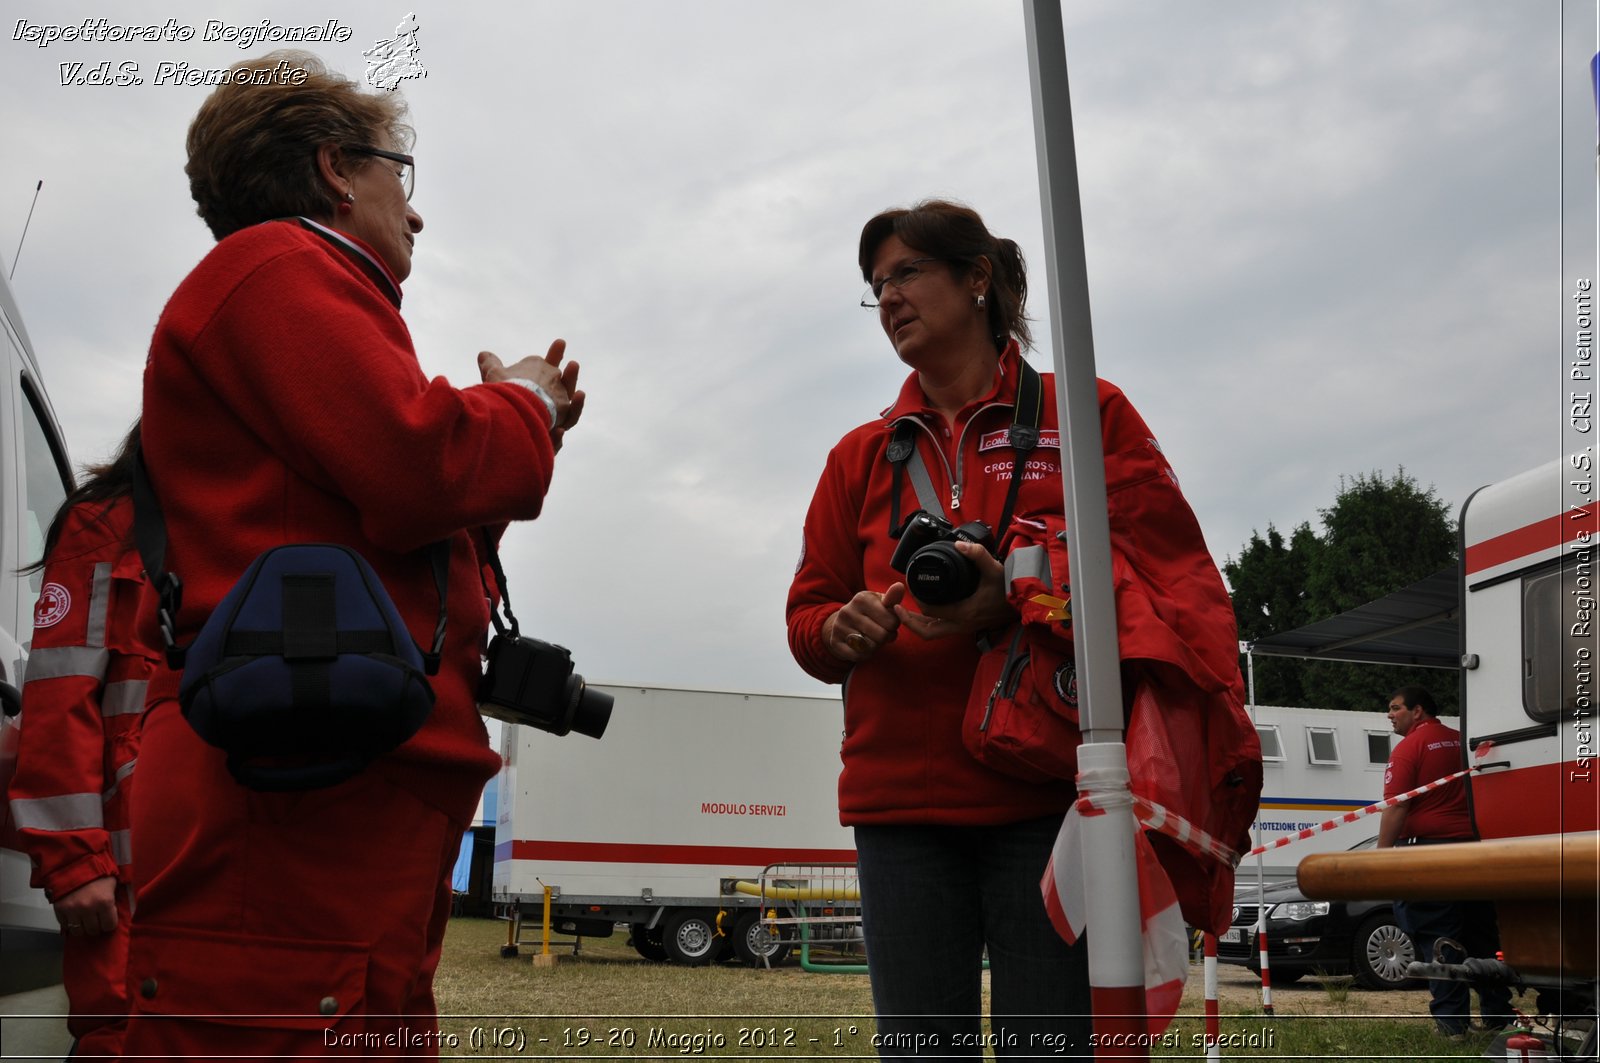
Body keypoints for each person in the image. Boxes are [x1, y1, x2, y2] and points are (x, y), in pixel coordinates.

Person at [122, 51, 584, 1058]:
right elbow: (418, 466)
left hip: (326, 786)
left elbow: (385, 517)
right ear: (336, 167)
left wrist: (504, 452)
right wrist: (526, 405)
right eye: (397, 175)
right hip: (297, 794)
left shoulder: (283, 287)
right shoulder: (279, 267)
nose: (412, 213)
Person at [786, 199, 1248, 1059]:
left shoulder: (1087, 415)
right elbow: (805, 614)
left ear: (976, 278)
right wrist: (837, 630)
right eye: (874, 285)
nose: (887, 297)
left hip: (1053, 799)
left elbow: (1177, 587)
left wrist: (1023, 592)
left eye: (907, 273)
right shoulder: (858, 455)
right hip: (901, 809)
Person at [5, 423, 154, 1058]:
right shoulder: (107, 522)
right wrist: (72, 865)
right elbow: (59, 696)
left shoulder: (237, 521)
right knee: (116, 1035)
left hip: (205, 861)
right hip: (117, 880)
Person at [1377, 685, 1514, 1037]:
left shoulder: (1409, 748)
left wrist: (1381, 857)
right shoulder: (1462, 742)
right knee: (1483, 939)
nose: (1390, 715)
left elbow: (1398, 805)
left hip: (1428, 855)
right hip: (1474, 853)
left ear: (1417, 711)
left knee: (1439, 940)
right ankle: (1499, 1021)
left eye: (1395, 708)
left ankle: (1453, 1026)